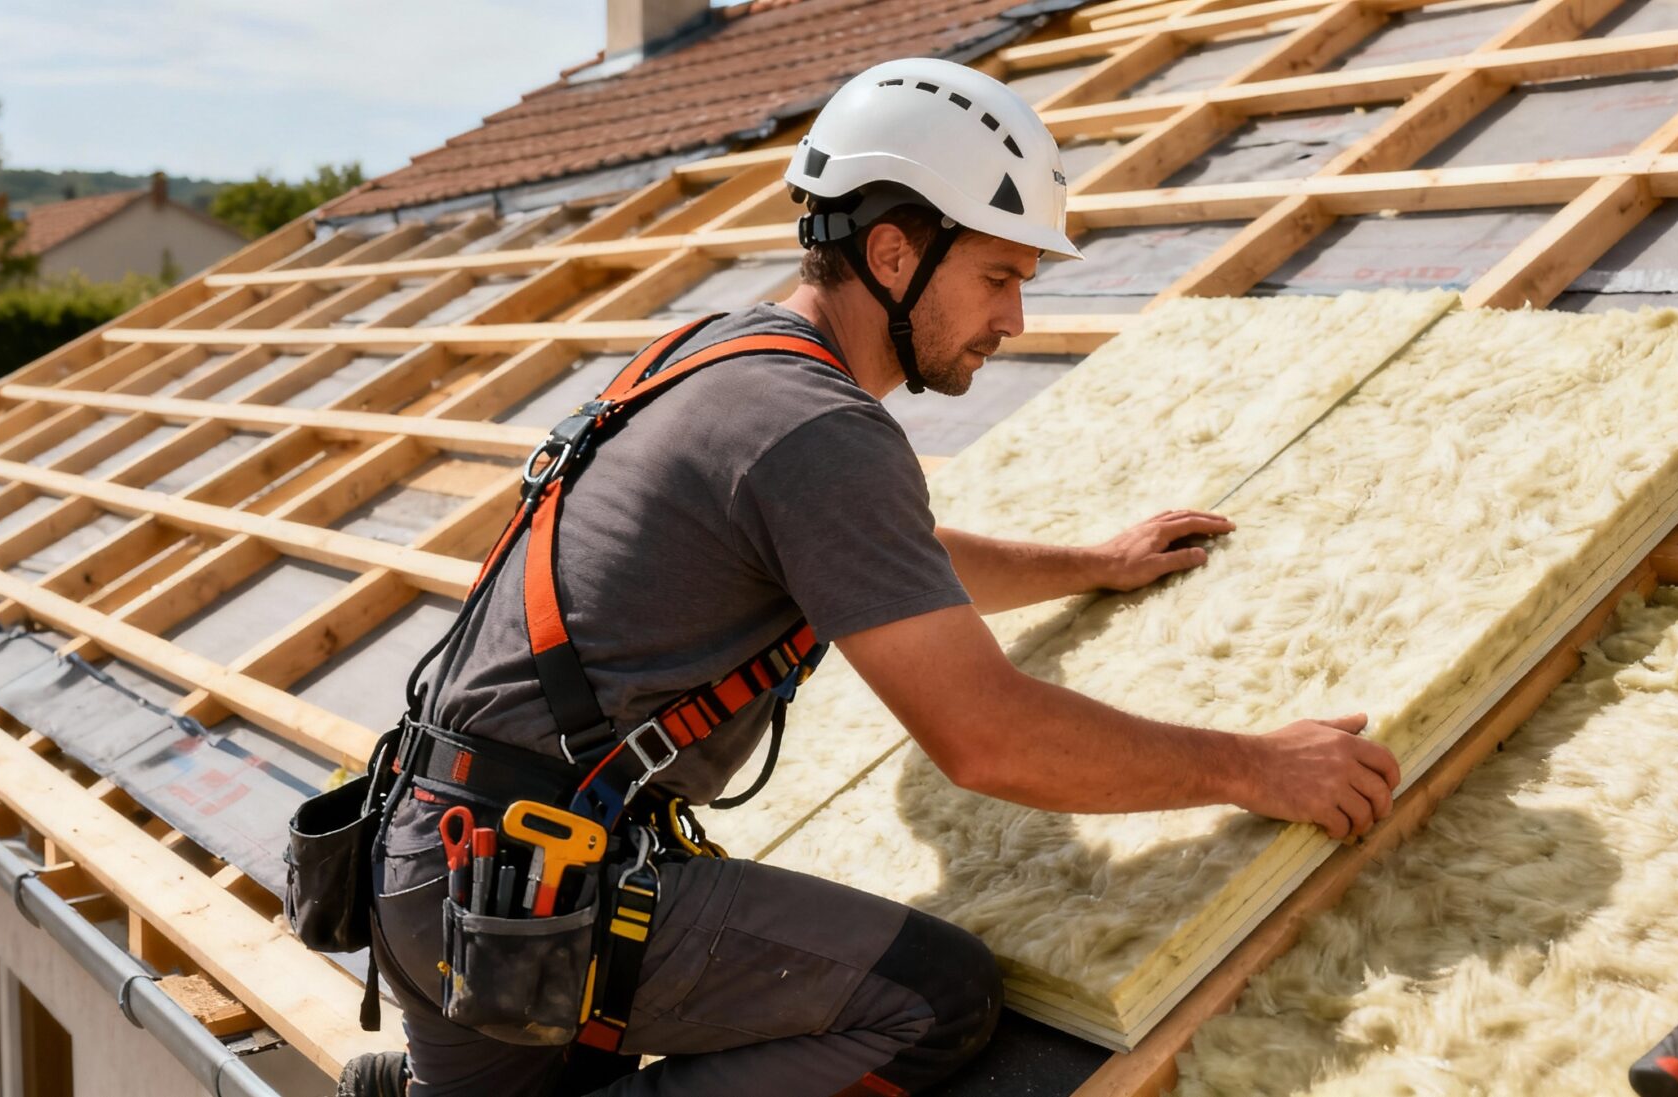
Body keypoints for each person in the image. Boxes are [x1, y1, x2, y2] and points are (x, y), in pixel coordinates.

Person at [344, 56, 1398, 1097]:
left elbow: (899, 566)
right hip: (517, 894)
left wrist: (1095, 562)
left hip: (448, 866)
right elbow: (988, 739)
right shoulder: (815, 428)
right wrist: (1260, 769)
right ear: (894, 252)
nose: (1014, 320)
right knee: (931, 997)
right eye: (997, 277)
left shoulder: (725, 356)